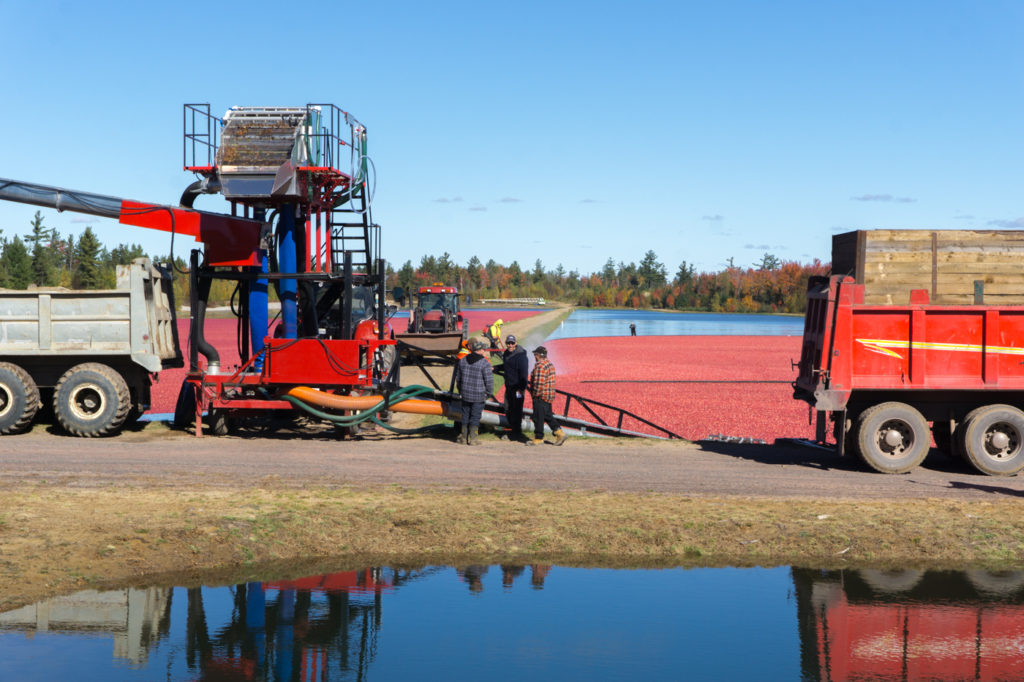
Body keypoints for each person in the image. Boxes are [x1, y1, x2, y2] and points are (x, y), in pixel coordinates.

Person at [454, 338, 493, 445]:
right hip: (479, 395)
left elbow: (458, 379)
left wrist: (461, 390)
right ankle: (473, 439)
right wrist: (488, 393)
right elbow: (489, 381)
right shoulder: (484, 363)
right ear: (480, 350)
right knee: (475, 417)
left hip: (466, 394)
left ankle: (463, 438)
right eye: (483, 349)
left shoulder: (463, 361)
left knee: (465, 415)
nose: (484, 351)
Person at [526, 346, 566, 446]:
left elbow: (539, 384)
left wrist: (534, 395)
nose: (534, 356)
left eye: (535, 354)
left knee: (538, 417)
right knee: (548, 416)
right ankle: (559, 433)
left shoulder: (540, 366)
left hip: (541, 396)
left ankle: (539, 438)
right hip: (549, 396)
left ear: (539, 355)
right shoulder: (550, 364)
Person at [501, 334, 529, 441]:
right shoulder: (506, 354)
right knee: (508, 408)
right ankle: (513, 429)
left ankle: (516, 432)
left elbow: (524, 375)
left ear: (516, 343)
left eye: (512, 343)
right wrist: (495, 368)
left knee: (516, 410)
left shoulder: (521, 357)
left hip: (518, 388)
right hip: (509, 387)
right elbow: (506, 366)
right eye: (508, 343)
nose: (510, 345)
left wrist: (521, 388)